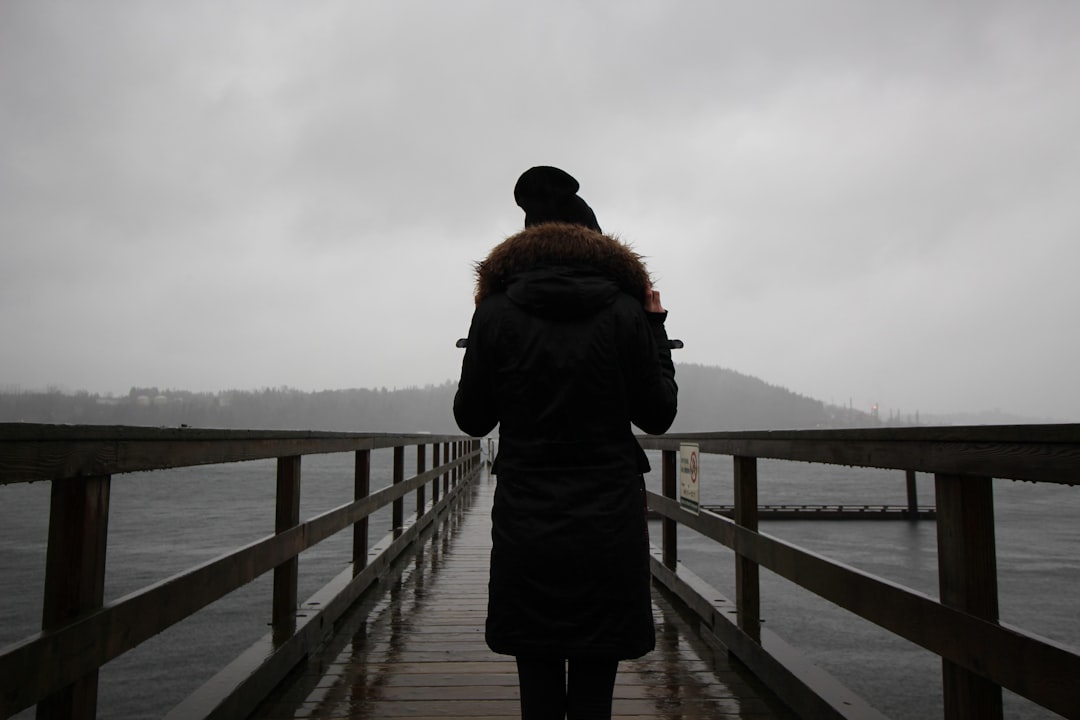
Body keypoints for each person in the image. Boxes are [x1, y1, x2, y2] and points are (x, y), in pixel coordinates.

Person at [453, 166, 679, 720]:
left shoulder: (497, 312)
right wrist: (654, 329)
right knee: (597, 668)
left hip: (528, 515)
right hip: (607, 516)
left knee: (537, 669)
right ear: (597, 245)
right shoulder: (625, 313)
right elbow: (657, 416)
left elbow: (472, 419)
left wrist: (480, 334)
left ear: (525, 244)